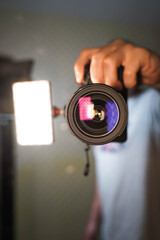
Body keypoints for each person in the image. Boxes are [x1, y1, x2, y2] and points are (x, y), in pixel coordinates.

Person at [74, 40, 160, 240]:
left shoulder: (150, 102)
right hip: (110, 228)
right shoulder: (96, 112)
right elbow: (104, 170)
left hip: (147, 230)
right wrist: (93, 221)